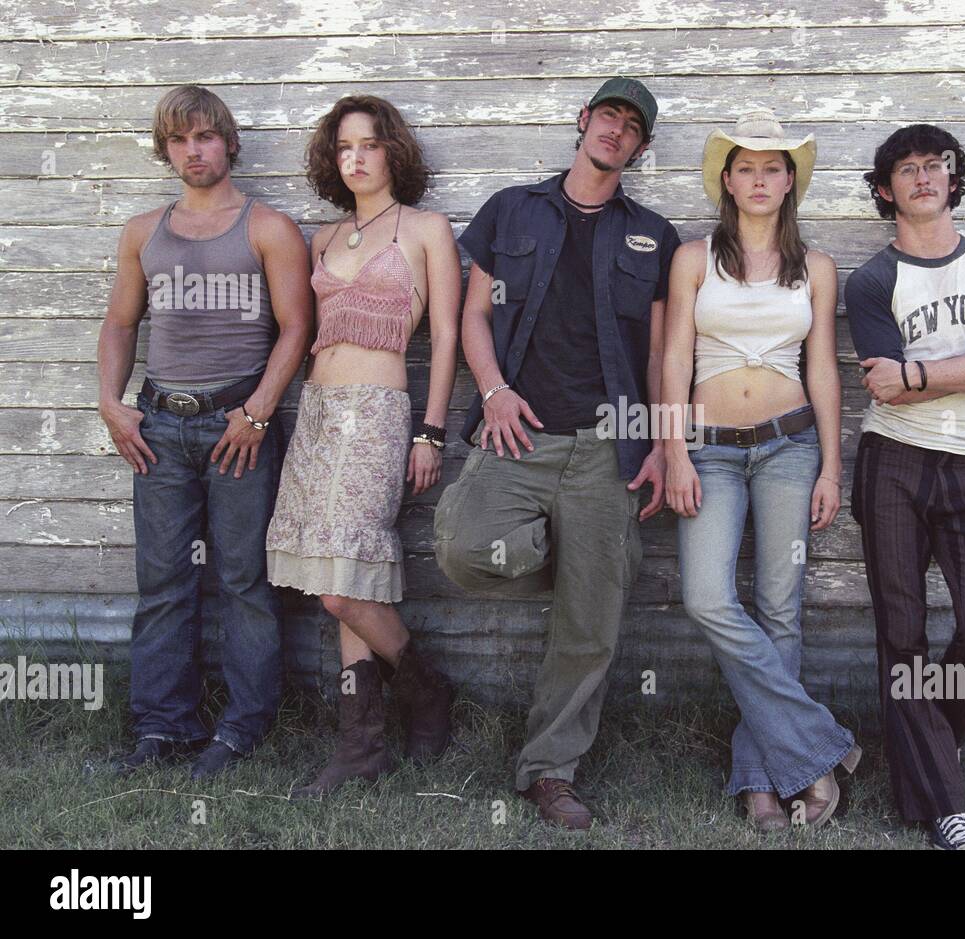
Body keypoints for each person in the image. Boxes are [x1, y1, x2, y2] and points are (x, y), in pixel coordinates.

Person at [434, 78, 680, 829]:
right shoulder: (513, 208)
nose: (617, 130)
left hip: (610, 446)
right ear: (583, 122)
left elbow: (665, 354)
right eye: (609, 114)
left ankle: (550, 770)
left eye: (632, 126)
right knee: (462, 548)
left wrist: (667, 442)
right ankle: (587, 571)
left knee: (591, 622)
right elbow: (474, 314)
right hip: (519, 430)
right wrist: (495, 389)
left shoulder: (655, 235)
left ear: (639, 148)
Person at [98, 84, 313, 779]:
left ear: (228, 143)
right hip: (158, 426)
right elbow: (122, 323)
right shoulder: (143, 231)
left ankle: (242, 725)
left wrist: (258, 410)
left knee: (245, 579)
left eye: (205, 136)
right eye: (179, 139)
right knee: (163, 581)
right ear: (166, 151)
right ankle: (163, 726)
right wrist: (110, 400)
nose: (193, 149)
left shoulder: (267, 227)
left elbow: (297, 327)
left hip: (237, 426)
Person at [662, 109, 859, 832]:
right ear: (726, 178)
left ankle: (762, 782)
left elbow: (825, 372)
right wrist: (674, 447)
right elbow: (673, 359)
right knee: (707, 596)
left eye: (772, 167)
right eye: (745, 166)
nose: (758, 178)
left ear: (790, 181)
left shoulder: (819, 269)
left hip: (791, 446)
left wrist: (833, 465)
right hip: (708, 446)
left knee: (781, 610)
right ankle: (821, 748)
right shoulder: (691, 259)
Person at [265, 96, 462, 799]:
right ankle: (362, 746)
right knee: (335, 582)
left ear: (392, 152)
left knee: (341, 587)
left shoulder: (426, 229)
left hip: (379, 413)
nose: (357, 157)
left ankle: (429, 688)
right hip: (317, 412)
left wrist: (431, 430)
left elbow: (446, 338)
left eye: (371, 144)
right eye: (345, 146)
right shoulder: (323, 239)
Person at [845, 123, 965, 849]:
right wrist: (948, 370)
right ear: (885, 190)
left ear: (954, 179)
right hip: (892, 461)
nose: (923, 176)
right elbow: (884, 390)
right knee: (902, 634)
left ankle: (925, 754)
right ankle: (946, 806)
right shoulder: (871, 279)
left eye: (936, 165)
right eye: (906, 169)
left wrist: (921, 373)